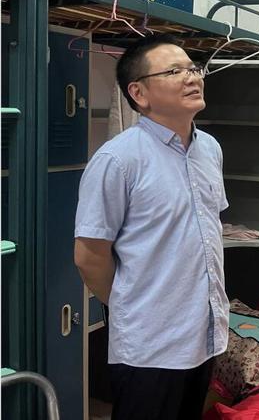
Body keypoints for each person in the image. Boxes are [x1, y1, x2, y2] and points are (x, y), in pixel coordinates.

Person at [74, 34, 229, 420]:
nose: (192, 77)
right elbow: (89, 256)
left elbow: (207, 231)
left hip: (204, 336)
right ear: (138, 93)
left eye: (193, 68)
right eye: (174, 71)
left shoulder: (210, 149)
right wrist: (133, 306)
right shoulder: (118, 160)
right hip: (149, 347)